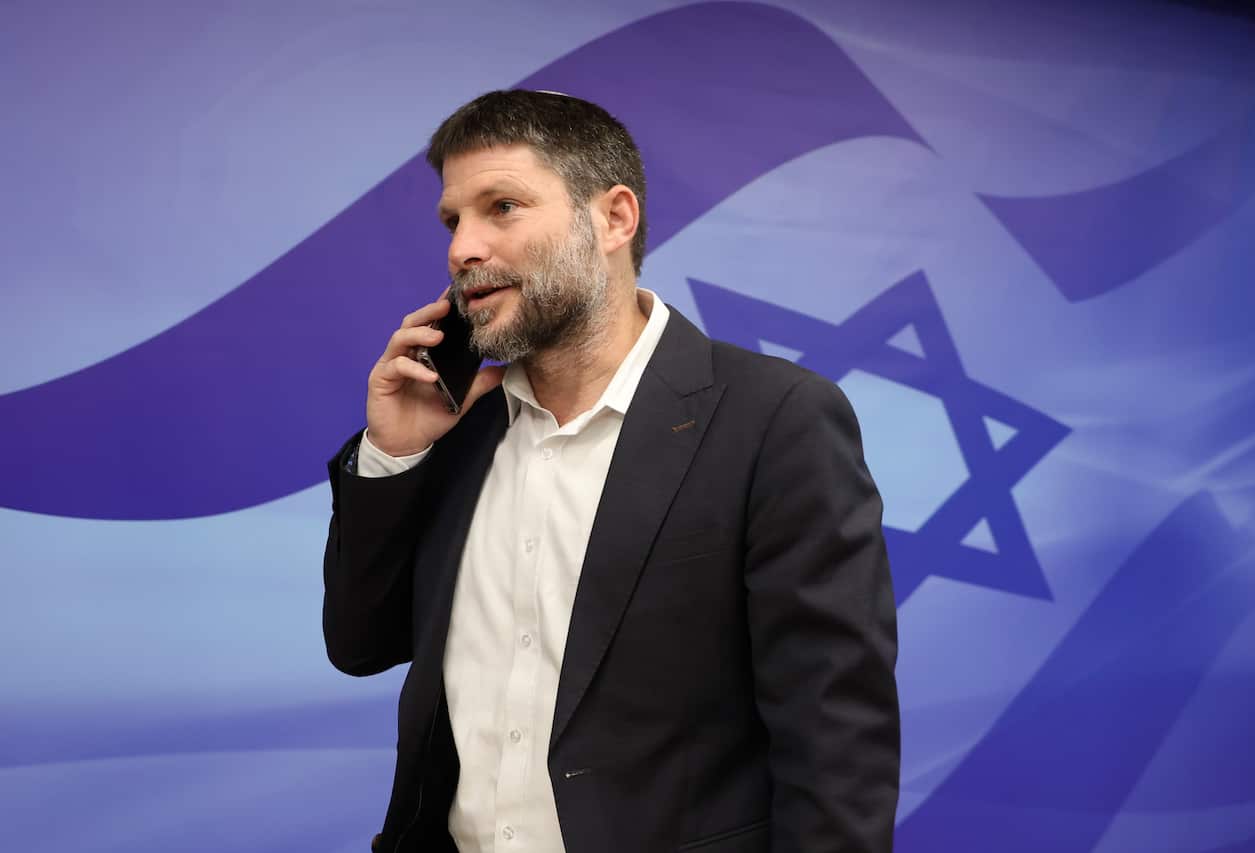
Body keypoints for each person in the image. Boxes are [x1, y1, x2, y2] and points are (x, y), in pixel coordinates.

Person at [322, 89, 900, 853]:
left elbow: (837, 744)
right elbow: (360, 644)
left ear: (614, 219)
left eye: (502, 207)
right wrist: (394, 452)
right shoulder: (455, 430)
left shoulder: (776, 419)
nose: (463, 248)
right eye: (453, 220)